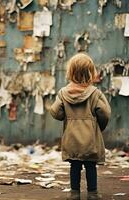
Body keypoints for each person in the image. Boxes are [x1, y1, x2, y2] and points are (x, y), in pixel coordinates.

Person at [50, 53, 111, 200]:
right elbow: (105, 113)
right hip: (90, 139)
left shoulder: (63, 93)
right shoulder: (95, 94)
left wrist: (66, 115)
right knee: (91, 167)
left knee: (74, 167)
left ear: (70, 72)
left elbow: (55, 112)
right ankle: (93, 193)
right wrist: (98, 127)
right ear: (91, 73)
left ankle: (74, 193)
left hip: (71, 139)